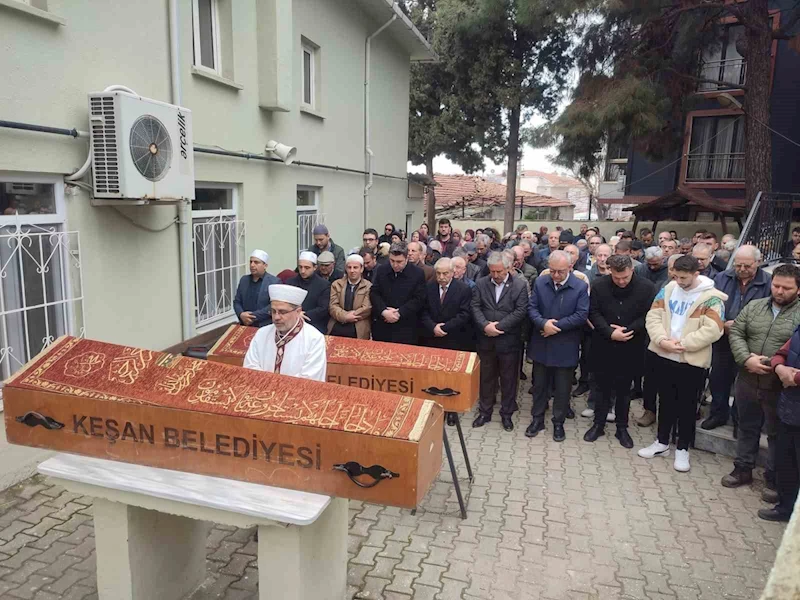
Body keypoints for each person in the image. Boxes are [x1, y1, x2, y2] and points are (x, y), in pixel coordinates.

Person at [639, 255, 727, 473]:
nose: (679, 281)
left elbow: (713, 329)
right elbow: (653, 316)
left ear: (696, 274)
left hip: (691, 360)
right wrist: (662, 341)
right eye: (676, 276)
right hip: (664, 354)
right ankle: (661, 443)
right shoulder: (668, 289)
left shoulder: (712, 298)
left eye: (684, 278)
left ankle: (682, 449)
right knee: (665, 401)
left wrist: (684, 344)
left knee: (687, 406)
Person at [721, 264, 800, 493]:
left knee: (776, 434)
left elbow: (792, 349)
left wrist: (770, 364)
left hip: (778, 385)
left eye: (786, 288)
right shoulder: (755, 306)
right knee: (746, 426)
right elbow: (737, 332)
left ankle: (773, 477)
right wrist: (746, 359)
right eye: (776, 285)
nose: (779, 291)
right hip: (747, 378)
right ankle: (743, 468)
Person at [584, 255, 655, 448]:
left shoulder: (647, 287)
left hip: (632, 344)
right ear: (610, 272)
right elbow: (593, 312)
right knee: (601, 388)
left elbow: (649, 315)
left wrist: (626, 331)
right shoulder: (599, 285)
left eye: (625, 277)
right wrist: (609, 332)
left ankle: (621, 428)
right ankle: (598, 424)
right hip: (604, 345)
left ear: (632, 269)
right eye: (617, 278)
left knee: (624, 390)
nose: (621, 282)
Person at [703, 245, 772, 430]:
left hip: (751, 342)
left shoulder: (768, 283)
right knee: (718, 378)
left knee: (744, 385)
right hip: (723, 338)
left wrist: (743, 327)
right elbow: (711, 305)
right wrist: (722, 322)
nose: (741, 269)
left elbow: (770, 313)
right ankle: (718, 414)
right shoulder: (721, 278)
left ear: (758, 262)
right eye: (738, 265)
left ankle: (739, 421)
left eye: (747, 266)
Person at [526, 251, 590, 441]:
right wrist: (543, 323)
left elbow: (581, 315)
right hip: (541, 343)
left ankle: (558, 423)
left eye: (560, 271)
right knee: (539, 386)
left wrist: (556, 327)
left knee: (562, 389)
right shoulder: (540, 282)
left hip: (565, 346)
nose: (555, 275)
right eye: (552, 270)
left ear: (570, 267)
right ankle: (537, 419)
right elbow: (532, 308)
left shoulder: (580, 287)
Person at [471, 251, 529, 432]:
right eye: (492, 271)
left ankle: (507, 414)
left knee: (508, 379)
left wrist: (500, 327)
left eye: (499, 272)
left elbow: (520, 311)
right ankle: (485, 412)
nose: (495, 275)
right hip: (486, 340)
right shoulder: (481, 284)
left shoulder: (519, 285)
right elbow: (475, 306)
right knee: (486, 377)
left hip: (508, 341)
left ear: (508, 268)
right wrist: (485, 325)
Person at [243, 284, 326, 381]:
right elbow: (250, 368)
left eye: (282, 312)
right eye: (273, 311)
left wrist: (276, 387)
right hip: (261, 393)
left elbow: (309, 379)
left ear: (298, 312)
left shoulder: (314, 339)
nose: (276, 317)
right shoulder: (262, 333)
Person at [763, 324, 800, 522]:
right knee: (787, 463)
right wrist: (780, 368)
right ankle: (785, 509)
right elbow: (781, 353)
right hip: (790, 409)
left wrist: (795, 377)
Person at [370, 242, 426, 345]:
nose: (395, 265)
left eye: (399, 261)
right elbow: (374, 293)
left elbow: (419, 299)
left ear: (406, 258)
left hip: (406, 327)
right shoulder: (382, 270)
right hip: (383, 326)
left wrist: (399, 312)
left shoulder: (417, 273)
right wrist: (384, 311)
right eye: (392, 261)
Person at [421, 257, 474, 355]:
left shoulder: (463, 289)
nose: (441, 277)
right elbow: (423, 311)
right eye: (438, 273)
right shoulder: (429, 287)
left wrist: (444, 328)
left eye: (445, 273)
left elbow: (464, 314)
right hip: (431, 337)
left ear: (452, 273)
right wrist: (433, 327)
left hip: (453, 338)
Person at [327, 254, 372, 339]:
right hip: (338, 325)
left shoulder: (368, 286)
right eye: (349, 267)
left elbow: (366, 308)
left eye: (355, 267)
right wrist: (345, 317)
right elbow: (333, 306)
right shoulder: (336, 284)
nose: (352, 270)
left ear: (361, 269)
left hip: (358, 327)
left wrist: (352, 316)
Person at [286, 252, 332, 334]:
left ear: (315, 267)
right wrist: (295, 315)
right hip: (291, 324)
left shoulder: (323, 285)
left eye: (307, 268)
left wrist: (303, 315)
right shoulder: (290, 282)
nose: (303, 271)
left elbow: (323, 309)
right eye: (300, 267)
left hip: (314, 325)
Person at [233, 249, 279, 327]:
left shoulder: (274, 282)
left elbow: (273, 305)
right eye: (251, 262)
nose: (252, 265)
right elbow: (237, 301)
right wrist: (241, 314)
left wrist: (251, 317)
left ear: (265, 266)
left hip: (264, 325)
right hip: (244, 324)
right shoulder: (244, 280)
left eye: (256, 262)